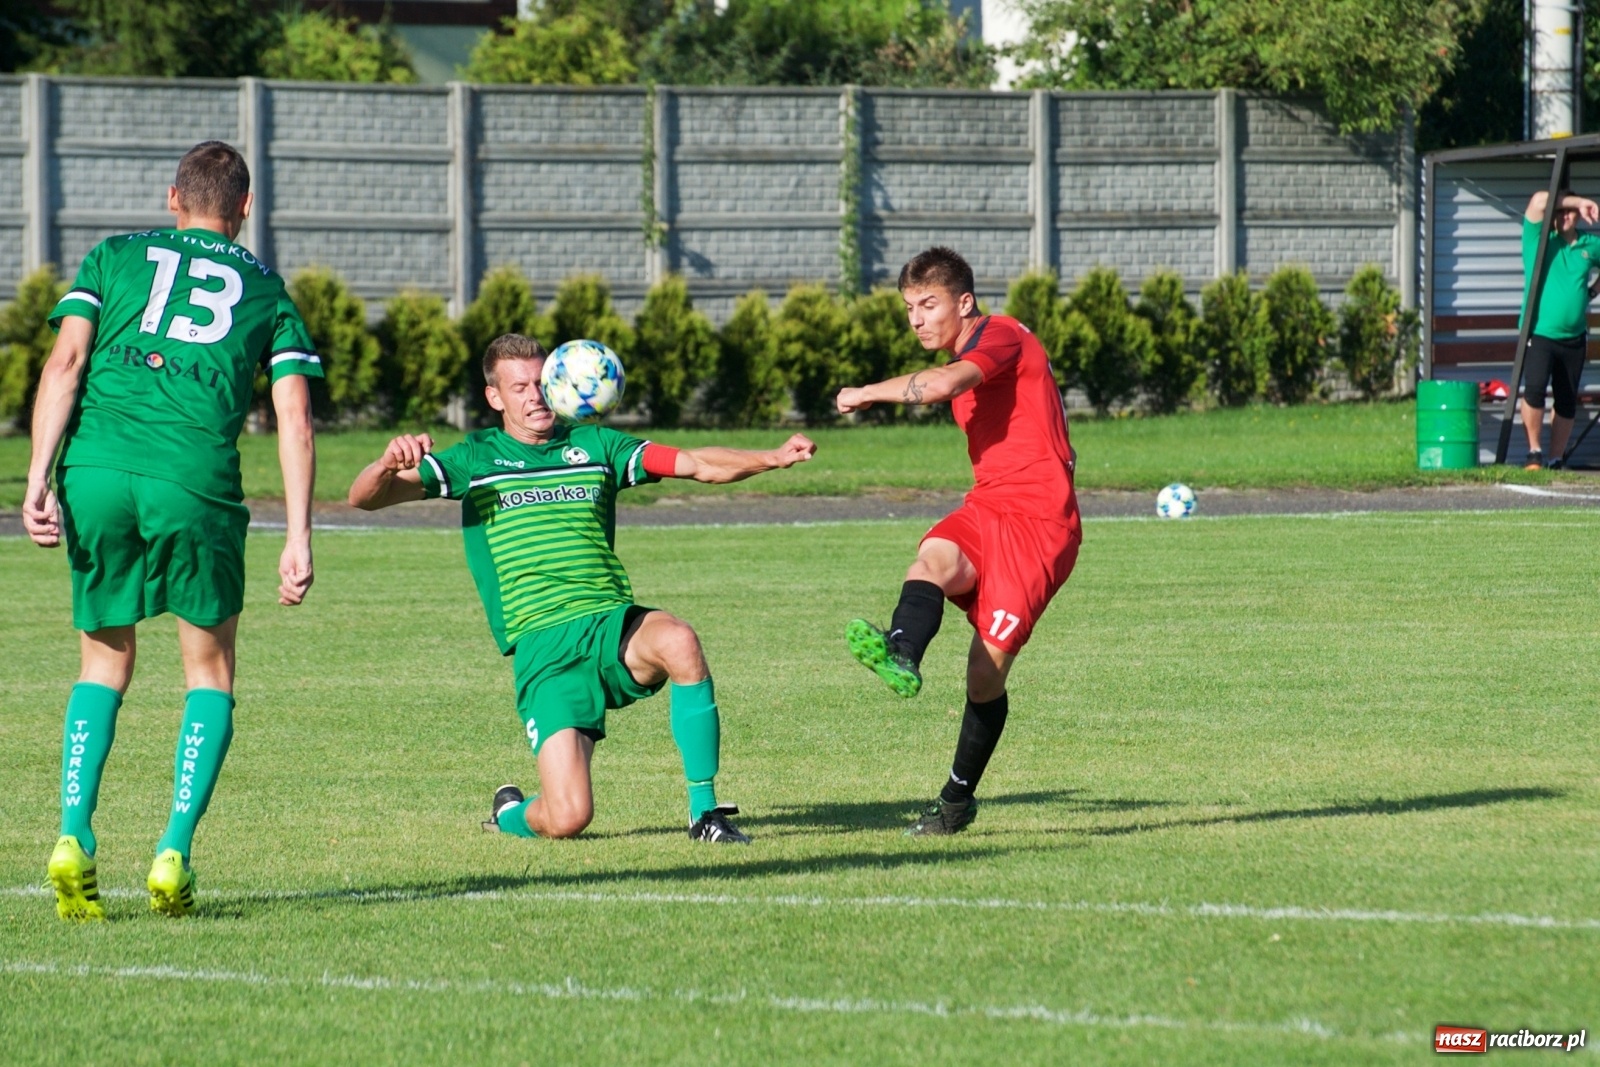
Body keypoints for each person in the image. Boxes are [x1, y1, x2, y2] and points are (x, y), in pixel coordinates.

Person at [348, 334, 815, 844]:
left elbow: (695, 463)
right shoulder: (475, 458)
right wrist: (384, 464)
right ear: (495, 398)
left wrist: (773, 457)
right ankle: (508, 813)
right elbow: (365, 499)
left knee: (679, 639)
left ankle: (705, 812)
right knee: (568, 818)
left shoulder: (596, 446)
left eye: (542, 382)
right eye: (519, 387)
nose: (535, 396)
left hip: (609, 621)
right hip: (543, 647)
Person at [23, 141, 321, 921]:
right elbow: (294, 417)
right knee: (209, 671)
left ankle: (72, 833)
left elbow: (64, 365)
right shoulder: (267, 290)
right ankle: (174, 851)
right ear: (245, 209)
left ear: (172, 198)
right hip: (194, 479)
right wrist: (299, 533)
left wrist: (35, 479)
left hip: (95, 469)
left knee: (103, 658)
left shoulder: (113, 256)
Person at [835, 246, 1080, 836]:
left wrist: (868, 391)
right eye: (909, 308)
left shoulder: (1000, 337)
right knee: (932, 559)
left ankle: (955, 802)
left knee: (983, 676)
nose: (916, 318)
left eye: (928, 304)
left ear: (963, 302)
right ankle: (901, 651)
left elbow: (946, 384)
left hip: (1042, 527)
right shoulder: (963, 346)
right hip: (988, 505)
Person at [1519, 187, 1600, 469]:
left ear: (1579, 217)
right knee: (1535, 391)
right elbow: (1538, 200)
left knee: (1566, 400)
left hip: (1574, 337)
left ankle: (1555, 458)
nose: (1565, 215)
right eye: (1560, 210)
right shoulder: (1538, 240)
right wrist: (1581, 201)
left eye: (1571, 211)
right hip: (1540, 333)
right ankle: (1534, 453)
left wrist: (1592, 292)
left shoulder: (1590, 245)